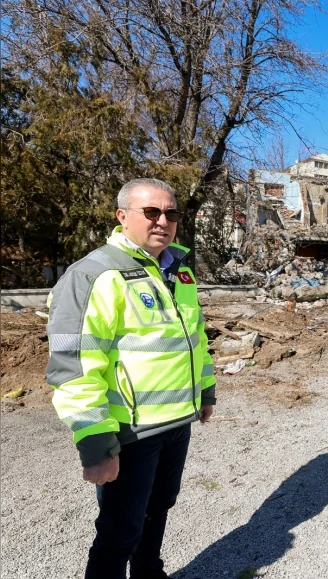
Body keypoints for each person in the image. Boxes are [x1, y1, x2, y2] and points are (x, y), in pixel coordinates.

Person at [45, 178, 216, 579]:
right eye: (151, 212)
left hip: (176, 422)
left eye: (170, 213)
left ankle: (148, 573)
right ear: (122, 216)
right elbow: (75, 365)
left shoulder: (178, 271)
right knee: (119, 531)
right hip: (130, 432)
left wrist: (205, 391)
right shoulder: (95, 274)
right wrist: (95, 441)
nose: (163, 221)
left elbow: (195, 339)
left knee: (158, 509)